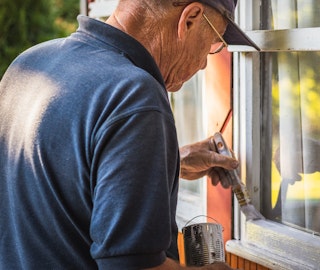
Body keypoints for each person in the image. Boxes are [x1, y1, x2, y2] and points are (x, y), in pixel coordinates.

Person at [0, 0, 259, 269]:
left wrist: (168, 163)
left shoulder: (29, 64)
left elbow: (55, 175)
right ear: (190, 18)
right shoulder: (134, 94)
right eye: (213, 44)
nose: (205, 63)